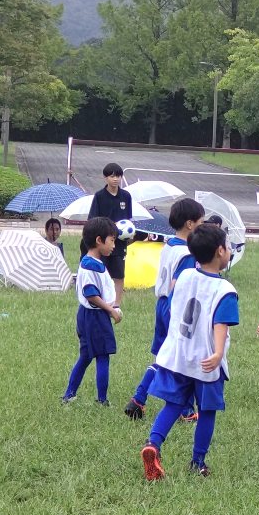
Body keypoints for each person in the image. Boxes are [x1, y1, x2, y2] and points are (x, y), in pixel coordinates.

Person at [139, 224, 239, 480]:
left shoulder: (184, 276)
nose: (229, 251)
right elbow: (221, 323)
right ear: (220, 251)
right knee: (207, 411)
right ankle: (198, 461)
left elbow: (172, 304)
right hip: (205, 361)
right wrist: (218, 353)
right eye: (228, 246)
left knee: (173, 404)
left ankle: (153, 444)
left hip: (178, 356)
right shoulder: (225, 290)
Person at [124, 198, 205, 421]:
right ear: (190, 224)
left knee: (164, 357)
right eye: (201, 222)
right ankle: (186, 411)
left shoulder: (169, 245)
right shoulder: (188, 253)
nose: (203, 226)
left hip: (161, 304)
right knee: (182, 358)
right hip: (175, 307)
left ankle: (139, 398)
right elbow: (178, 285)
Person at [61, 217, 123, 406]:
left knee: (86, 356)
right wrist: (111, 310)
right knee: (103, 356)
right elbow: (91, 294)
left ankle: (69, 395)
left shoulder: (93, 262)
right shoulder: (91, 266)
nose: (114, 245)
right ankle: (102, 400)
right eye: (112, 240)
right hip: (95, 317)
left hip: (87, 316)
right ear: (99, 240)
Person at [87, 163, 133, 308]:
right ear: (105, 177)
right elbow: (93, 219)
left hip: (120, 242)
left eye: (118, 176)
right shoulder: (99, 196)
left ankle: (116, 304)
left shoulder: (126, 196)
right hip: (104, 241)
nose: (115, 179)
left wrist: (128, 232)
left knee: (119, 274)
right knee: (102, 271)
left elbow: (128, 219)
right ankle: (102, 301)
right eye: (112, 176)